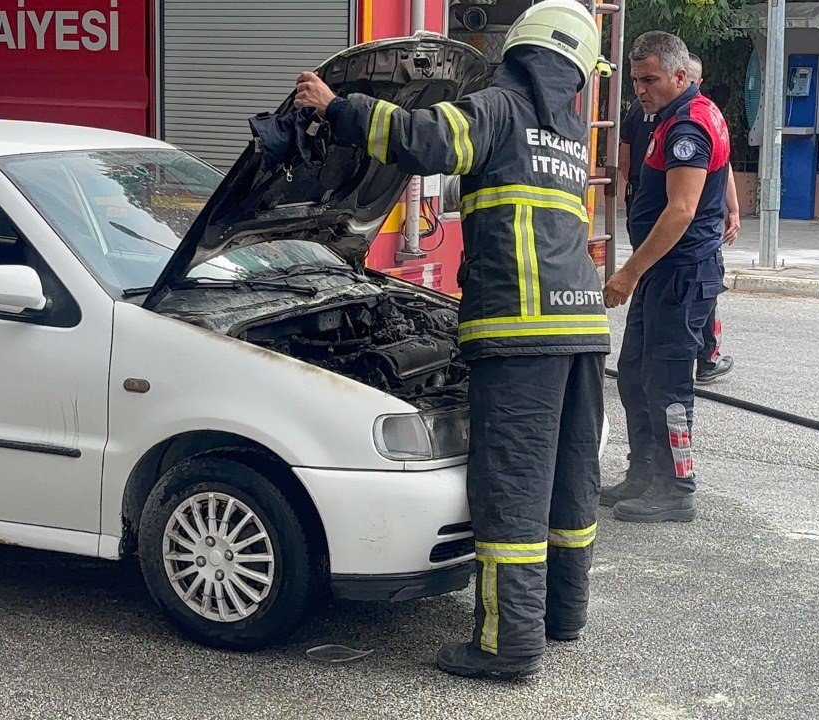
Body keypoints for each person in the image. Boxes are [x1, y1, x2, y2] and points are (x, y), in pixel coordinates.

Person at [296, 0, 609, 678]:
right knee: (568, 482)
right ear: (575, 71)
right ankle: (562, 615)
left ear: (519, 50)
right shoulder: (567, 132)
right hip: (581, 325)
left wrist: (336, 106)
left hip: (520, 328)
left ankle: (508, 645)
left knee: (513, 488)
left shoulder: (499, 107)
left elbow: (424, 141)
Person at [600, 31, 731, 523]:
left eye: (650, 79)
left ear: (680, 76)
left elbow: (680, 211)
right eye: (635, 80)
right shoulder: (670, 116)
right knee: (634, 374)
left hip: (680, 274)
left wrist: (628, 274)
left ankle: (677, 489)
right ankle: (643, 473)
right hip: (663, 272)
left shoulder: (687, 129)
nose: (640, 88)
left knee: (669, 385)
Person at [688, 52, 738, 384]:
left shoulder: (643, 111)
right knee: (703, 296)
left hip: (663, 223)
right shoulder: (705, 116)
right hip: (694, 227)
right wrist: (731, 210)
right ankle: (705, 360)